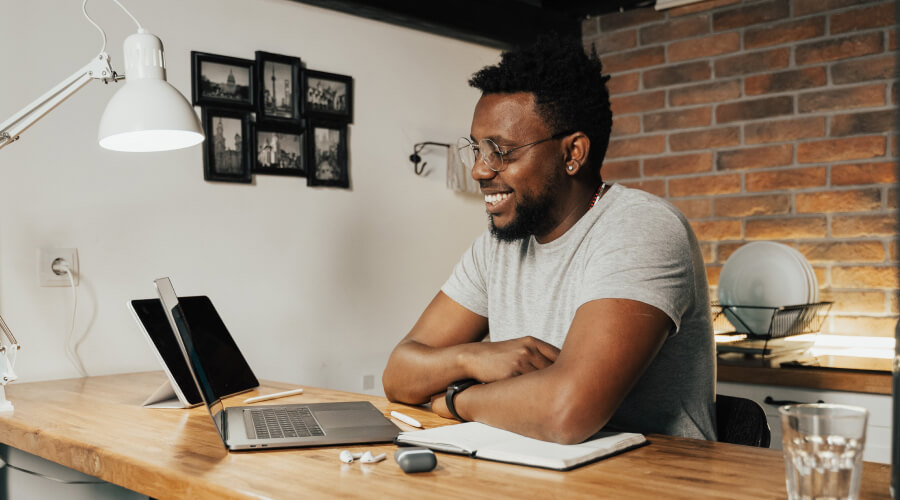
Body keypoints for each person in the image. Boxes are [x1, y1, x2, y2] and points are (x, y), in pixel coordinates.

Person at [382, 35, 716, 444]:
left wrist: (456, 398)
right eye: (477, 149)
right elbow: (399, 374)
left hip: (655, 483)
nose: (479, 171)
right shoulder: (497, 247)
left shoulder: (641, 228)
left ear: (573, 153)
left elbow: (566, 411)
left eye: (500, 152)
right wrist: (476, 356)